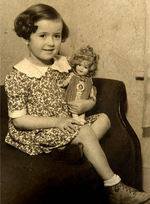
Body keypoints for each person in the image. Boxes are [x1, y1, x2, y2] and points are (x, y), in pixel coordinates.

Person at [4, 4, 150, 204]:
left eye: (56, 36)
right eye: (43, 35)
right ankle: (114, 186)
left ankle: (74, 150)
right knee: (84, 132)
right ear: (27, 37)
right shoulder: (18, 75)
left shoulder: (63, 64)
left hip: (67, 122)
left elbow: (83, 88)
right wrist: (57, 122)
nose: (51, 43)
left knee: (105, 118)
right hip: (40, 129)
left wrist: (86, 105)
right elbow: (20, 121)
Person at [59, 45, 98, 124]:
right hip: (72, 98)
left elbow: (91, 89)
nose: (81, 68)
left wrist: (92, 95)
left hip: (82, 100)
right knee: (73, 109)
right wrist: (63, 84)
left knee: (82, 111)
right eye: (79, 65)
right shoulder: (73, 76)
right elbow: (66, 81)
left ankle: (81, 118)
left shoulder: (89, 80)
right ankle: (75, 118)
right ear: (75, 64)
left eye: (85, 67)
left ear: (90, 69)